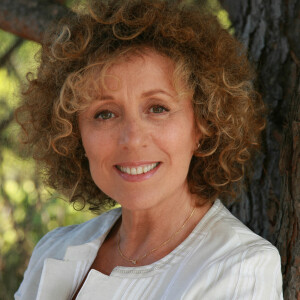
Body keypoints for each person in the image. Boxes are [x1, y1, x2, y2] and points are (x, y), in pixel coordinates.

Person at [15, 0, 283, 299]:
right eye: (105, 113)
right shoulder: (54, 249)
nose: (132, 138)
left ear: (204, 125)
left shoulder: (238, 269)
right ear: (75, 133)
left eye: (158, 108)